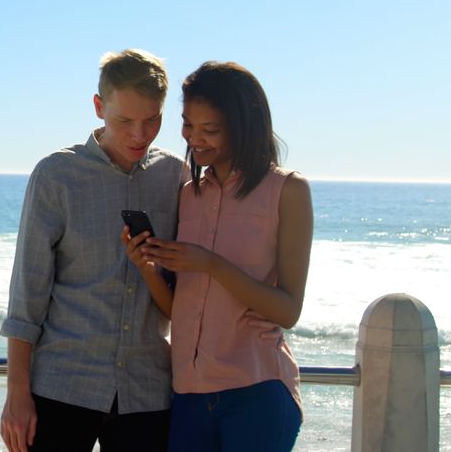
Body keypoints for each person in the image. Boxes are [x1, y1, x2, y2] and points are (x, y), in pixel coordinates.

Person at [0, 48, 187, 452]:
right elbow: (26, 294)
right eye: (125, 121)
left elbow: (184, 293)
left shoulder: (177, 176)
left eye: (152, 120)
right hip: (61, 385)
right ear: (99, 106)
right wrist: (17, 394)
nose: (139, 134)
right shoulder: (56, 175)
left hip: (148, 391)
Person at [126, 61, 313, 451]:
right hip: (189, 396)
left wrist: (210, 264)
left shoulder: (288, 191)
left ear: (244, 125)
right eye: (188, 125)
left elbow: (288, 310)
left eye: (209, 129)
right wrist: (147, 268)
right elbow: (181, 310)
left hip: (257, 392)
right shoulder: (188, 195)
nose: (194, 138)